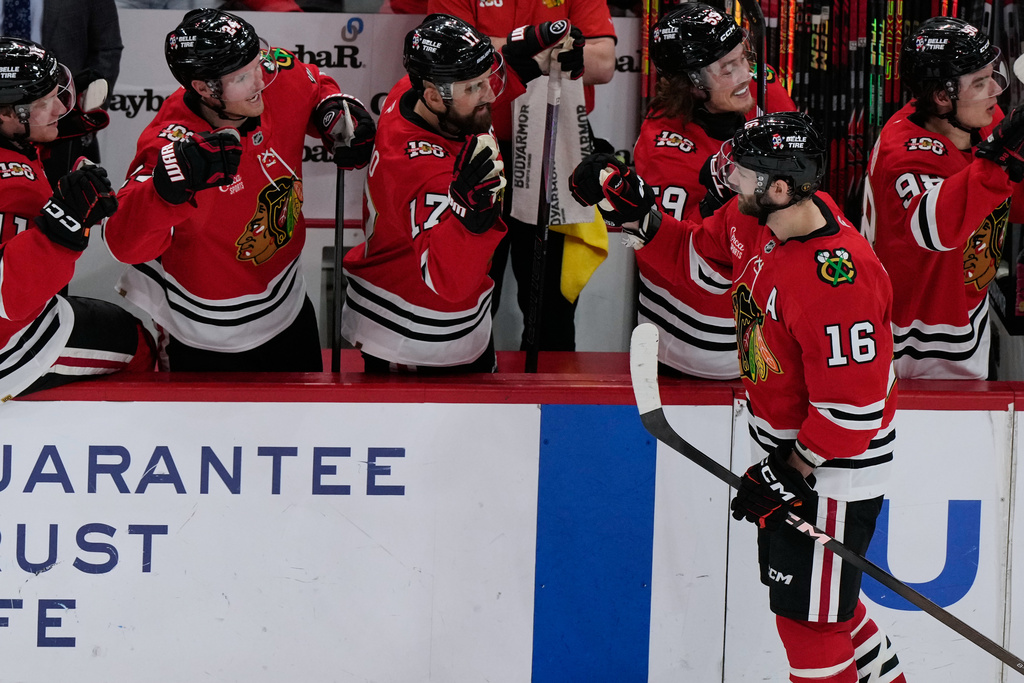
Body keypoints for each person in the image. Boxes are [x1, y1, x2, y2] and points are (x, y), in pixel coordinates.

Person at [570, 113, 906, 683]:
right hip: (790, 456)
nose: (728, 177)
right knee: (827, 608)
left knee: (810, 624)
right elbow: (698, 265)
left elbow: (854, 409)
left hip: (832, 469)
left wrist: (793, 471)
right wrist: (640, 220)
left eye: (743, 172)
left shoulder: (838, 281)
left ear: (780, 187)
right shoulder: (758, 219)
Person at [104, 8, 375, 372]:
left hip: (286, 302)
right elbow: (122, 241)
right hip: (201, 328)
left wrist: (330, 109)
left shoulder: (274, 73)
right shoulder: (171, 143)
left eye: (257, 63)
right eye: (243, 77)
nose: (260, 79)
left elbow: (313, 83)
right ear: (203, 88)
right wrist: (164, 192)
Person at [341, 14, 571, 373]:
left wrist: (532, 56)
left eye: (487, 80)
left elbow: (477, 80)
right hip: (413, 329)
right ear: (433, 96)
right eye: (474, 88)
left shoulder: (417, 91)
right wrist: (470, 218)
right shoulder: (418, 166)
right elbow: (447, 281)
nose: (490, 94)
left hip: (456, 324)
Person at [427, 0, 616, 352]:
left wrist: (503, 47)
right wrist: (534, 47)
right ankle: (462, 397)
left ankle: (554, 402)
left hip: (555, 150)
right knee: (466, 293)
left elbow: (603, 63)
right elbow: (447, 56)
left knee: (552, 309)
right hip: (476, 150)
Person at [635, 3, 796, 379]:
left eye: (744, 59)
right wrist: (717, 201)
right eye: (728, 68)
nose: (746, 76)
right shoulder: (664, 146)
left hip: (770, 337)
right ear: (691, 82)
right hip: (692, 345)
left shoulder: (768, 95)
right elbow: (680, 260)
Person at [863, 16, 1024, 380]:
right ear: (941, 96)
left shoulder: (976, 118)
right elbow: (935, 230)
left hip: (964, 313)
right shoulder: (904, 153)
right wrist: (1002, 158)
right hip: (914, 341)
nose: (996, 90)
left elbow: (1012, 197)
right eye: (981, 82)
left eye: (992, 74)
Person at [0, 38, 153, 401]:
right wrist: (62, 230)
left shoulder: (14, 145)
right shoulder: (15, 182)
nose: (59, 109)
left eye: (57, 95)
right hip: (9, 348)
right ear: (5, 115)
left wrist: (45, 135)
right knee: (138, 343)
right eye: (43, 104)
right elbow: (9, 299)